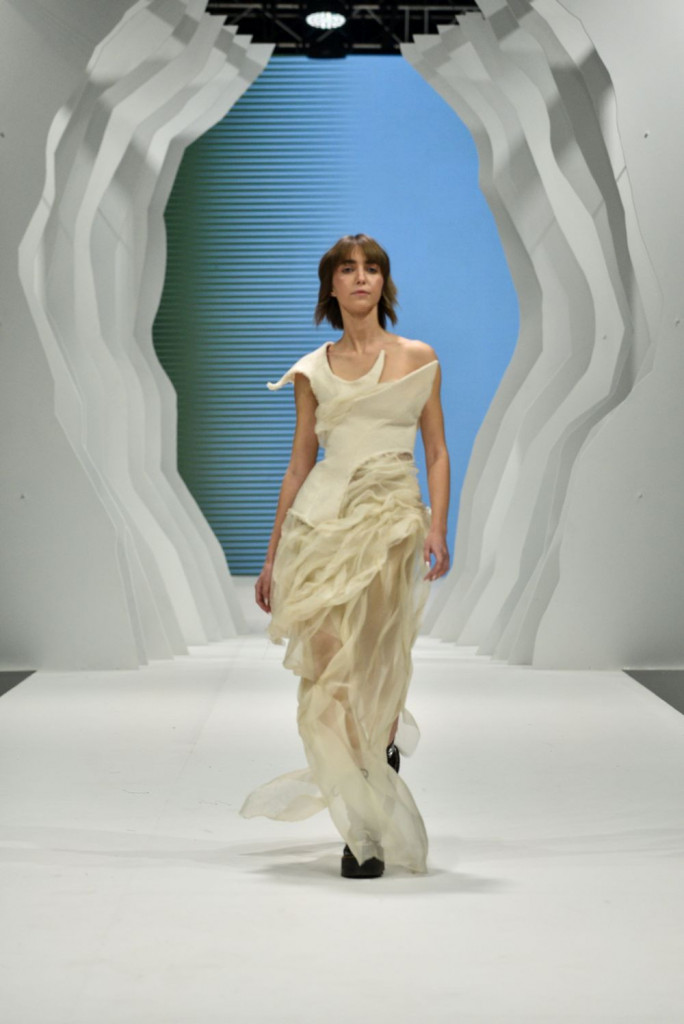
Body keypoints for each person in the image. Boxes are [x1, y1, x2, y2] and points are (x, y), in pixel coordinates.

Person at [240, 233, 450, 878]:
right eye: (348, 269)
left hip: (390, 524)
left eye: (373, 268)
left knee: (378, 663)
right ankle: (362, 823)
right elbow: (300, 463)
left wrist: (438, 528)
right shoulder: (313, 370)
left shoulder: (418, 357)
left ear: (384, 282)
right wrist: (272, 556)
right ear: (330, 285)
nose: (362, 278)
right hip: (322, 526)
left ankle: (371, 783)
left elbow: (436, 451)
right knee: (329, 672)